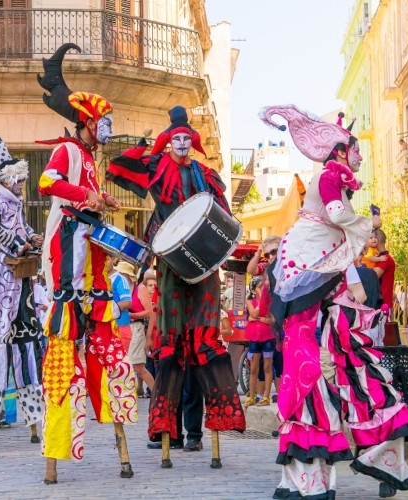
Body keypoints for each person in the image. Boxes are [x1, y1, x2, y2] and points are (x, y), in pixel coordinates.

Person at [259, 105, 408, 498]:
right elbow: (336, 214)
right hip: (307, 275)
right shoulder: (331, 176)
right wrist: (368, 224)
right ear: (339, 150)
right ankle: (314, 473)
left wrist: (355, 270)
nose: (361, 156)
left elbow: (339, 239)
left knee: (355, 356)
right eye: (355, 148)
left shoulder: (336, 179)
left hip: (323, 273)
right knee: (308, 366)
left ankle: (380, 458)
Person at [108, 105, 245, 467]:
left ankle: (198, 433)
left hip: (203, 267)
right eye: (176, 140)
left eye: (187, 139)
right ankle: (170, 431)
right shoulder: (158, 169)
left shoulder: (205, 174)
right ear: (169, 143)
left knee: (203, 342)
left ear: (192, 142)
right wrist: (145, 150)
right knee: (170, 349)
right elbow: (118, 166)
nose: (182, 144)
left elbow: (223, 214)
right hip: (169, 262)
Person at [36, 43, 136, 483]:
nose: (106, 132)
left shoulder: (92, 161)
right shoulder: (67, 152)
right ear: (89, 123)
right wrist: (86, 196)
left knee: (113, 360)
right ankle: (55, 459)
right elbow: (46, 183)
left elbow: (88, 199)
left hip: (95, 272)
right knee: (61, 368)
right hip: (69, 273)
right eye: (104, 125)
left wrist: (104, 198)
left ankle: (122, 450)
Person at [0, 135, 44, 445]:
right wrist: (19, 244)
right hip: (4, 278)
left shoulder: (15, 203)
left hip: (22, 281)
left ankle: (34, 420)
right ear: (7, 178)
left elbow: (21, 228)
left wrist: (32, 237)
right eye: (19, 179)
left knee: (27, 348)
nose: (22, 184)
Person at [244, 277, 275, 408]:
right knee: (253, 368)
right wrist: (261, 317)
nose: (263, 289)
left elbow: (271, 320)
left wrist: (257, 318)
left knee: (267, 367)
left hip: (268, 337)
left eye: (264, 286)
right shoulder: (249, 301)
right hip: (254, 338)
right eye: (260, 287)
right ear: (253, 290)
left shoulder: (271, 301)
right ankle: (251, 396)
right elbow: (254, 312)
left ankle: (266, 396)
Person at [128, 267, 155, 398]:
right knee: (131, 366)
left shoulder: (140, 288)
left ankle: (156, 395)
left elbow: (150, 312)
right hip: (126, 328)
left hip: (136, 328)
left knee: (139, 367)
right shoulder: (126, 287)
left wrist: (132, 315)